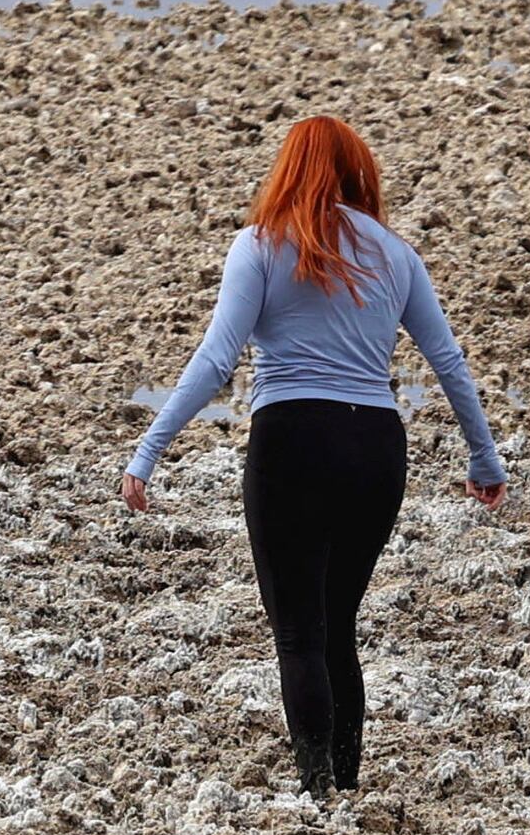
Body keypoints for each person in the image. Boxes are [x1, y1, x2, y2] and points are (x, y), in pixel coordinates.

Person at [121, 115, 507, 799]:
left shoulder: (261, 244)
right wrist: (484, 460)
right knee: (338, 623)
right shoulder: (395, 254)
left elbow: (217, 360)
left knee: (298, 630)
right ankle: (346, 784)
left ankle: (317, 787)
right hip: (375, 448)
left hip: (292, 442)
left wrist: (148, 452)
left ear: (286, 169)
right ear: (358, 172)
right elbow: (446, 360)